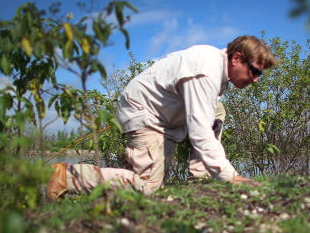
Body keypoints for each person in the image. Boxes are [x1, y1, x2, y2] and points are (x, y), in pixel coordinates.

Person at [47, 35, 278, 201]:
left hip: (165, 117)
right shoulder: (206, 70)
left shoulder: (217, 71)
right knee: (148, 188)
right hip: (145, 113)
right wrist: (231, 176)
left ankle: (202, 179)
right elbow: (200, 132)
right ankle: (65, 176)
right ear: (237, 58)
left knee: (217, 110)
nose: (256, 79)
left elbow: (207, 119)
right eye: (255, 71)